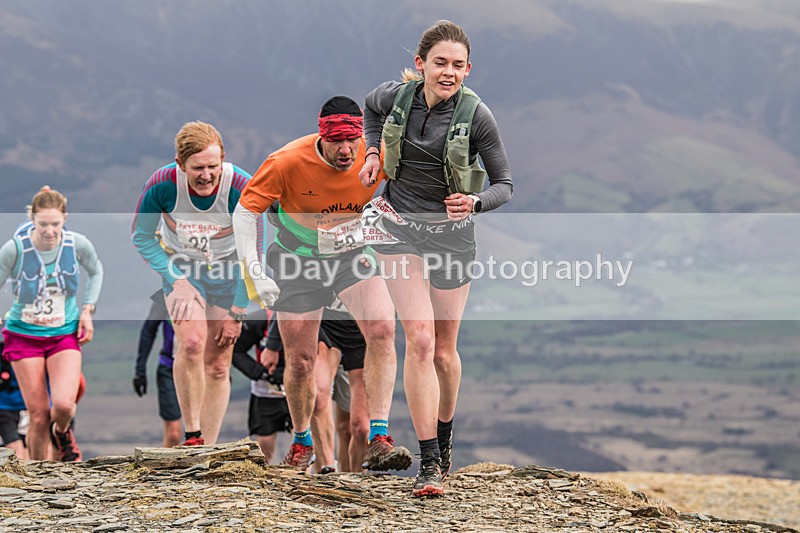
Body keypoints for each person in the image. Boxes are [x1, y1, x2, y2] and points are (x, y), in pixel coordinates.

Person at [358, 20, 513, 496]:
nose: (449, 72)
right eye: (440, 63)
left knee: (444, 351)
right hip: (398, 227)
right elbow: (369, 109)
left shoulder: (477, 116)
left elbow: (504, 184)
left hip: (451, 237)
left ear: (469, 69)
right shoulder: (396, 96)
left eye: (458, 65)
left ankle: (445, 435)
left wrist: (475, 202)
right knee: (420, 340)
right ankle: (428, 463)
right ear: (421, 64)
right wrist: (370, 154)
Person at [233, 96, 411, 472]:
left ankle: (379, 436)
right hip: (297, 259)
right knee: (300, 362)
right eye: (336, 142)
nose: (346, 151)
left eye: (352, 141)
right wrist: (255, 270)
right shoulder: (287, 161)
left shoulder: (374, 155)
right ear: (322, 136)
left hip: (351, 255)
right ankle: (301, 442)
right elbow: (246, 212)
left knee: (381, 329)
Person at [132, 121, 258, 446]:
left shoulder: (240, 186)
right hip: (184, 272)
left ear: (223, 160)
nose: (206, 175)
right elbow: (142, 236)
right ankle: (193, 436)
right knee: (190, 344)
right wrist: (176, 280)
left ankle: (209, 448)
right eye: (197, 168)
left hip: (230, 277)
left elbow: (252, 253)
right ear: (180, 164)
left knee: (218, 365)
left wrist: (238, 311)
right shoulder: (162, 185)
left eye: (212, 166)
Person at [0, 186, 104, 461]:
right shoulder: (15, 250)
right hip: (24, 336)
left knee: (63, 405)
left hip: (63, 335)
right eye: (43, 224)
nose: (49, 231)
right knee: (37, 415)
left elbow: (95, 270)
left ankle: (62, 430)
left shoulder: (76, 244)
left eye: (55, 224)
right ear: (32, 219)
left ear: (65, 218)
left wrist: (87, 310)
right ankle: (36, 481)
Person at [310, 301, 369, 473]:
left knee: (358, 428)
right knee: (318, 397)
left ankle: (356, 481)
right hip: (325, 320)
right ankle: (328, 470)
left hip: (361, 325)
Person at [231, 310, 292, 462]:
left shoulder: (305, 317)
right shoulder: (259, 320)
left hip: (298, 391)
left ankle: (304, 479)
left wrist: (289, 374)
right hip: (265, 392)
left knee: (302, 444)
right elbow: (236, 350)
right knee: (264, 447)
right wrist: (260, 373)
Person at [132, 292, 181, 447]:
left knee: (201, 434)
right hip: (169, 368)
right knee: (173, 435)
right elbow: (148, 330)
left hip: (200, 371)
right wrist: (140, 370)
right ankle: (168, 468)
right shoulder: (165, 295)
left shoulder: (210, 289)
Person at [0, 342, 29, 460]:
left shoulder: (37, 355)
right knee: (16, 452)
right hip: (4, 409)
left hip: (30, 410)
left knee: (29, 453)